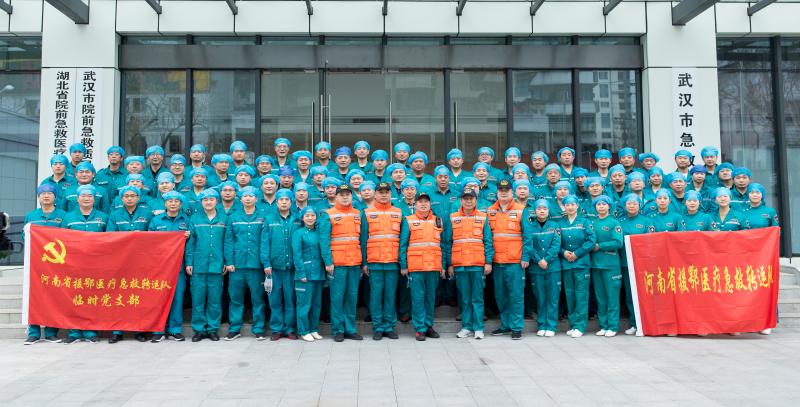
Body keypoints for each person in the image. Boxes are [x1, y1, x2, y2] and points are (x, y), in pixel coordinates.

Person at [62, 184, 108, 344]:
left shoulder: (103, 217)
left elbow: (110, 240)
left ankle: (90, 330)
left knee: (92, 297)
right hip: (74, 264)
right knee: (74, 296)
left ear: (94, 199)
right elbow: (62, 239)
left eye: (90, 196)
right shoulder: (68, 218)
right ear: (77, 198)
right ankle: (74, 331)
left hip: (96, 264)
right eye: (83, 196)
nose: (86, 198)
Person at [106, 185, 153, 344]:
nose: (129, 198)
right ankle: (117, 331)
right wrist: (128, 236)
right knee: (119, 296)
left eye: (133, 196)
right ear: (121, 198)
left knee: (138, 295)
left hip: (141, 260)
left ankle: (139, 330)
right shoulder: (114, 215)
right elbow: (110, 235)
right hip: (121, 260)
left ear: (138, 198)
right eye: (126, 196)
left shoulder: (147, 213)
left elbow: (154, 235)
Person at [400, 192, 448, 341]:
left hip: (433, 266)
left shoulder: (438, 220)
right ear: (415, 204)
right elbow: (403, 245)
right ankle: (420, 328)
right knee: (418, 298)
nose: (423, 204)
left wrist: (443, 266)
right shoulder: (409, 220)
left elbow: (442, 245)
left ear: (430, 204)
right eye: (420, 202)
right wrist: (404, 265)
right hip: (416, 267)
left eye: (426, 201)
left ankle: (428, 326)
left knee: (430, 298)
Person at [487, 180, 532, 340]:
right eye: (501, 190)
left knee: (516, 295)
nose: (504, 192)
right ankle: (505, 325)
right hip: (497, 261)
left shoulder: (521, 210)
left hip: (515, 261)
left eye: (506, 190)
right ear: (497, 193)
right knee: (500, 295)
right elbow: (488, 237)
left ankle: (516, 327)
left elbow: (527, 236)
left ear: (512, 192)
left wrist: (525, 256)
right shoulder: (490, 211)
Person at [319, 184, 365, 342]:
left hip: (354, 262)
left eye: (348, 194)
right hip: (337, 263)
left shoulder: (358, 213)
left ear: (352, 196)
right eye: (342, 194)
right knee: (337, 297)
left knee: (352, 297)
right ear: (336, 196)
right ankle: (338, 330)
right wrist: (328, 261)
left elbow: (362, 239)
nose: (345, 197)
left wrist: (362, 262)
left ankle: (350, 329)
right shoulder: (328, 214)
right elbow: (324, 241)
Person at [23, 184, 67, 345]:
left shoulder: (63, 215)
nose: (46, 196)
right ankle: (33, 333)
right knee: (34, 297)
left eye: (49, 193)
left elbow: (67, 237)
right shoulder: (31, 216)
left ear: (55, 197)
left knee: (54, 297)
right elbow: (25, 236)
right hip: (37, 264)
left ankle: (51, 333)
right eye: (43, 193)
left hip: (57, 264)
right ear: (39, 197)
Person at [447, 190, 493, 340]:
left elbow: (488, 241)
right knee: (465, 298)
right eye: (465, 199)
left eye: (471, 199)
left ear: (475, 200)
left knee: (477, 297)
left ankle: (478, 328)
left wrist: (488, 262)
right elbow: (448, 242)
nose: (468, 201)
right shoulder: (453, 217)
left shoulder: (483, 217)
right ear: (461, 201)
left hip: (477, 264)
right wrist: (450, 264)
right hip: (460, 264)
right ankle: (467, 327)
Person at [223, 186, 267, 341]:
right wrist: (229, 261)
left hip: (256, 264)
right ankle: (235, 328)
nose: (248, 198)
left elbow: (265, 241)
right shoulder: (233, 217)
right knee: (235, 297)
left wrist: (264, 262)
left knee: (258, 298)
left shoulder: (263, 216)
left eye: (251, 196)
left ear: (256, 198)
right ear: (240, 199)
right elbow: (229, 241)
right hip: (237, 265)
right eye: (245, 196)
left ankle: (259, 328)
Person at [185, 188, 229, 342]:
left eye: (211, 199)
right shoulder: (195, 218)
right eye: (205, 200)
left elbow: (227, 242)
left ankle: (212, 329)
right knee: (198, 298)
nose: (208, 202)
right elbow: (191, 242)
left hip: (217, 264)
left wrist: (226, 261)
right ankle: (199, 329)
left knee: (214, 299)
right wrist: (189, 262)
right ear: (201, 202)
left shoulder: (224, 218)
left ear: (217, 201)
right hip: (198, 264)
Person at [361, 182, 404, 340]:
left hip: (392, 261)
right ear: (375, 194)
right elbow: (363, 239)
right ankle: (378, 326)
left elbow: (402, 239)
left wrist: (402, 262)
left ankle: (389, 326)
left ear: (390, 194)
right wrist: (365, 262)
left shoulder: (398, 212)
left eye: (386, 192)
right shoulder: (367, 213)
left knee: (390, 295)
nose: (384, 195)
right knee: (376, 295)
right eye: (381, 192)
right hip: (375, 261)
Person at [148, 191, 191, 342]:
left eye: (176, 201)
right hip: (160, 267)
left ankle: (175, 330)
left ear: (181, 204)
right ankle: (158, 330)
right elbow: (149, 242)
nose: (173, 203)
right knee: (158, 298)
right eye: (170, 201)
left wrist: (187, 237)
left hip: (179, 266)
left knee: (177, 298)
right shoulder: (156, 221)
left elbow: (191, 243)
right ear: (165, 203)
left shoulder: (187, 220)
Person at [260, 189, 298, 340]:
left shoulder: (297, 219)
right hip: (274, 268)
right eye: (281, 200)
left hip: (291, 268)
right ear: (276, 202)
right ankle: (277, 329)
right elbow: (264, 243)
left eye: (286, 200)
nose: (283, 202)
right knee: (274, 300)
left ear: (291, 202)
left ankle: (289, 329)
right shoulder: (269, 219)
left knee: (290, 299)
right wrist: (266, 263)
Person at [558, 195, 596, 338]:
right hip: (567, 263)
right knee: (570, 294)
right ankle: (573, 324)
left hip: (581, 263)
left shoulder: (585, 221)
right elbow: (557, 241)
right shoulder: (561, 223)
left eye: (573, 204)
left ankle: (580, 326)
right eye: (567, 205)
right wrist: (563, 252)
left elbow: (591, 241)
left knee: (581, 294)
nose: (570, 207)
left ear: (577, 206)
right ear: (564, 207)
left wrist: (577, 253)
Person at [618, 193, 655, 335]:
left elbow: (651, 241)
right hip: (625, 263)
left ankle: (647, 323)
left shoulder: (646, 222)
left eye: (635, 203)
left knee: (645, 294)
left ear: (639, 205)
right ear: (624, 205)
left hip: (643, 264)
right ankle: (634, 323)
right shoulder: (620, 221)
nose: (632, 206)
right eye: (629, 203)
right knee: (630, 295)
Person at [589, 195, 623, 337]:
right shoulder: (592, 223)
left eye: (604, 204)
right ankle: (603, 325)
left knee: (612, 297)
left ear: (609, 206)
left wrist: (600, 246)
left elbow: (618, 242)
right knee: (600, 297)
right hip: (596, 265)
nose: (601, 206)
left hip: (611, 265)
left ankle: (613, 326)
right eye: (598, 204)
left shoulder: (614, 223)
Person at [527, 199, 561, 337]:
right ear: (535, 211)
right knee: (540, 297)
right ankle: (542, 324)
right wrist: (538, 260)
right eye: (539, 208)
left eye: (544, 208)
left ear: (548, 210)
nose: (542, 211)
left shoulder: (554, 225)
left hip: (552, 267)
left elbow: (556, 244)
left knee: (552, 297)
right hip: (536, 268)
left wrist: (546, 259)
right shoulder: (530, 226)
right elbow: (529, 245)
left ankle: (551, 326)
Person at [292, 206, 326, 342]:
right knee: (304, 304)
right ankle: (303, 330)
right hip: (304, 274)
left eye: (312, 215)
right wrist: (301, 273)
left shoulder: (319, 232)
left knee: (316, 304)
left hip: (318, 273)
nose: (310, 218)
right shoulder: (298, 233)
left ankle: (313, 329)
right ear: (302, 218)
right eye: (307, 216)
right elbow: (297, 254)